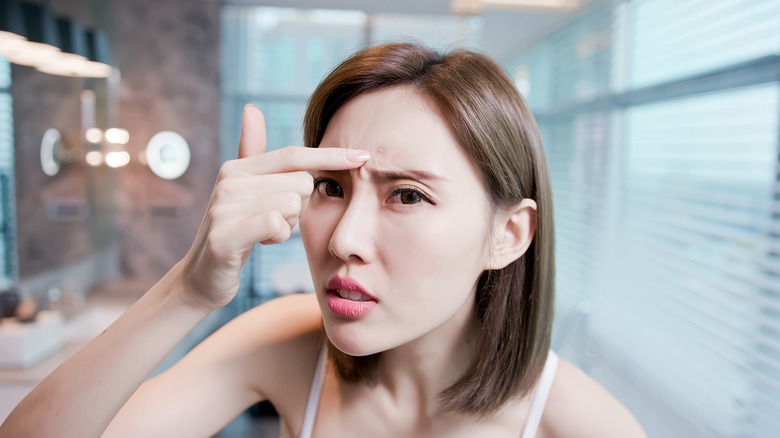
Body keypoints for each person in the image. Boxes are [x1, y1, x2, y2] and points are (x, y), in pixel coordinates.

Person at [0, 43, 646, 438]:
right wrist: (190, 290)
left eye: (408, 195)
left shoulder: (583, 426)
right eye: (332, 187)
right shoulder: (287, 346)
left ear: (508, 236)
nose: (344, 238)